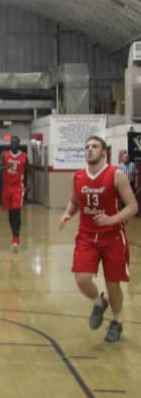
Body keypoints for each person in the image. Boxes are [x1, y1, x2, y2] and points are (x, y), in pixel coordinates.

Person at [58, 136, 138, 342]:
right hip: (86, 235)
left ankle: (117, 321)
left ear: (104, 152)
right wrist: (68, 214)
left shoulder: (116, 175)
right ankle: (99, 302)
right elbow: (74, 202)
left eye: (94, 146)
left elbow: (132, 207)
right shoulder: (77, 177)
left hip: (112, 237)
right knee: (82, 278)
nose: (89, 150)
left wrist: (113, 219)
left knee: (113, 285)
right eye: (86, 147)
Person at [0, 136, 29, 251]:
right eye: (11, 142)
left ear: (18, 144)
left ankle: (16, 238)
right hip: (7, 187)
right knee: (10, 213)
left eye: (15, 142)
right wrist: (6, 166)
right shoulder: (4, 154)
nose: (13, 144)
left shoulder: (24, 156)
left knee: (16, 211)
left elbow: (28, 170)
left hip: (18, 187)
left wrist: (29, 184)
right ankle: (13, 235)